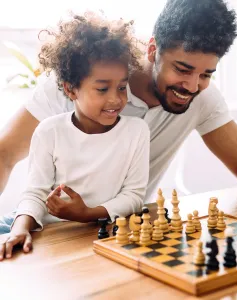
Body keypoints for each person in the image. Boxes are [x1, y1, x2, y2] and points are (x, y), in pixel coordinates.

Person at [0, 1, 237, 235]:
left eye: (207, 74)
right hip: (42, 227)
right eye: (182, 69)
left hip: (116, 230)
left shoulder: (202, 97)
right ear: (153, 50)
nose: (193, 86)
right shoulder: (84, 78)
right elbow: (4, 154)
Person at [0, 13, 150, 260]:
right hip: (44, 232)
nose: (116, 99)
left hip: (95, 235)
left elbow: (133, 196)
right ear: (71, 89)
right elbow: (35, 193)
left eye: (122, 88)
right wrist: (19, 229)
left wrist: (87, 213)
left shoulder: (136, 132)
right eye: (102, 89)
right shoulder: (49, 131)